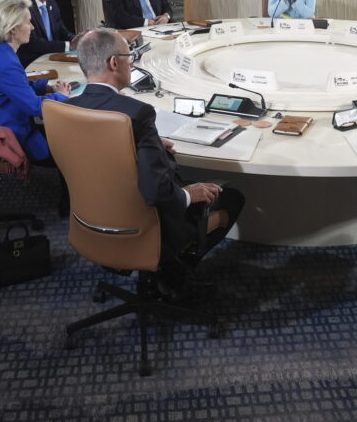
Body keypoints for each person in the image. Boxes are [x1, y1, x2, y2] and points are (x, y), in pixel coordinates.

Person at [68, 28, 244, 299]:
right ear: (114, 63)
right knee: (231, 197)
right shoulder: (138, 113)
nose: (132, 63)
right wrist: (189, 194)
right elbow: (156, 192)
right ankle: (173, 276)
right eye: (129, 56)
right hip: (143, 226)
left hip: (89, 220)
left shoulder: (69, 108)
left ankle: (164, 274)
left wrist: (142, 141)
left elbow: (95, 154)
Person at [0, 0, 71, 163]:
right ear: (13, 29)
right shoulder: (7, 63)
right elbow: (34, 107)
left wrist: (46, 87)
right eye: (28, 22)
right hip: (9, 135)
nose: (32, 27)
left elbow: (18, 85)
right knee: (70, 148)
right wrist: (61, 95)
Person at [16, 0, 76, 68]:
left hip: (53, 58)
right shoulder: (21, 6)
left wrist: (77, 40)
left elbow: (62, 31)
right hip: (32, 64)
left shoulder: (51, 3)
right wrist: (69, 45)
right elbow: (32, 43)